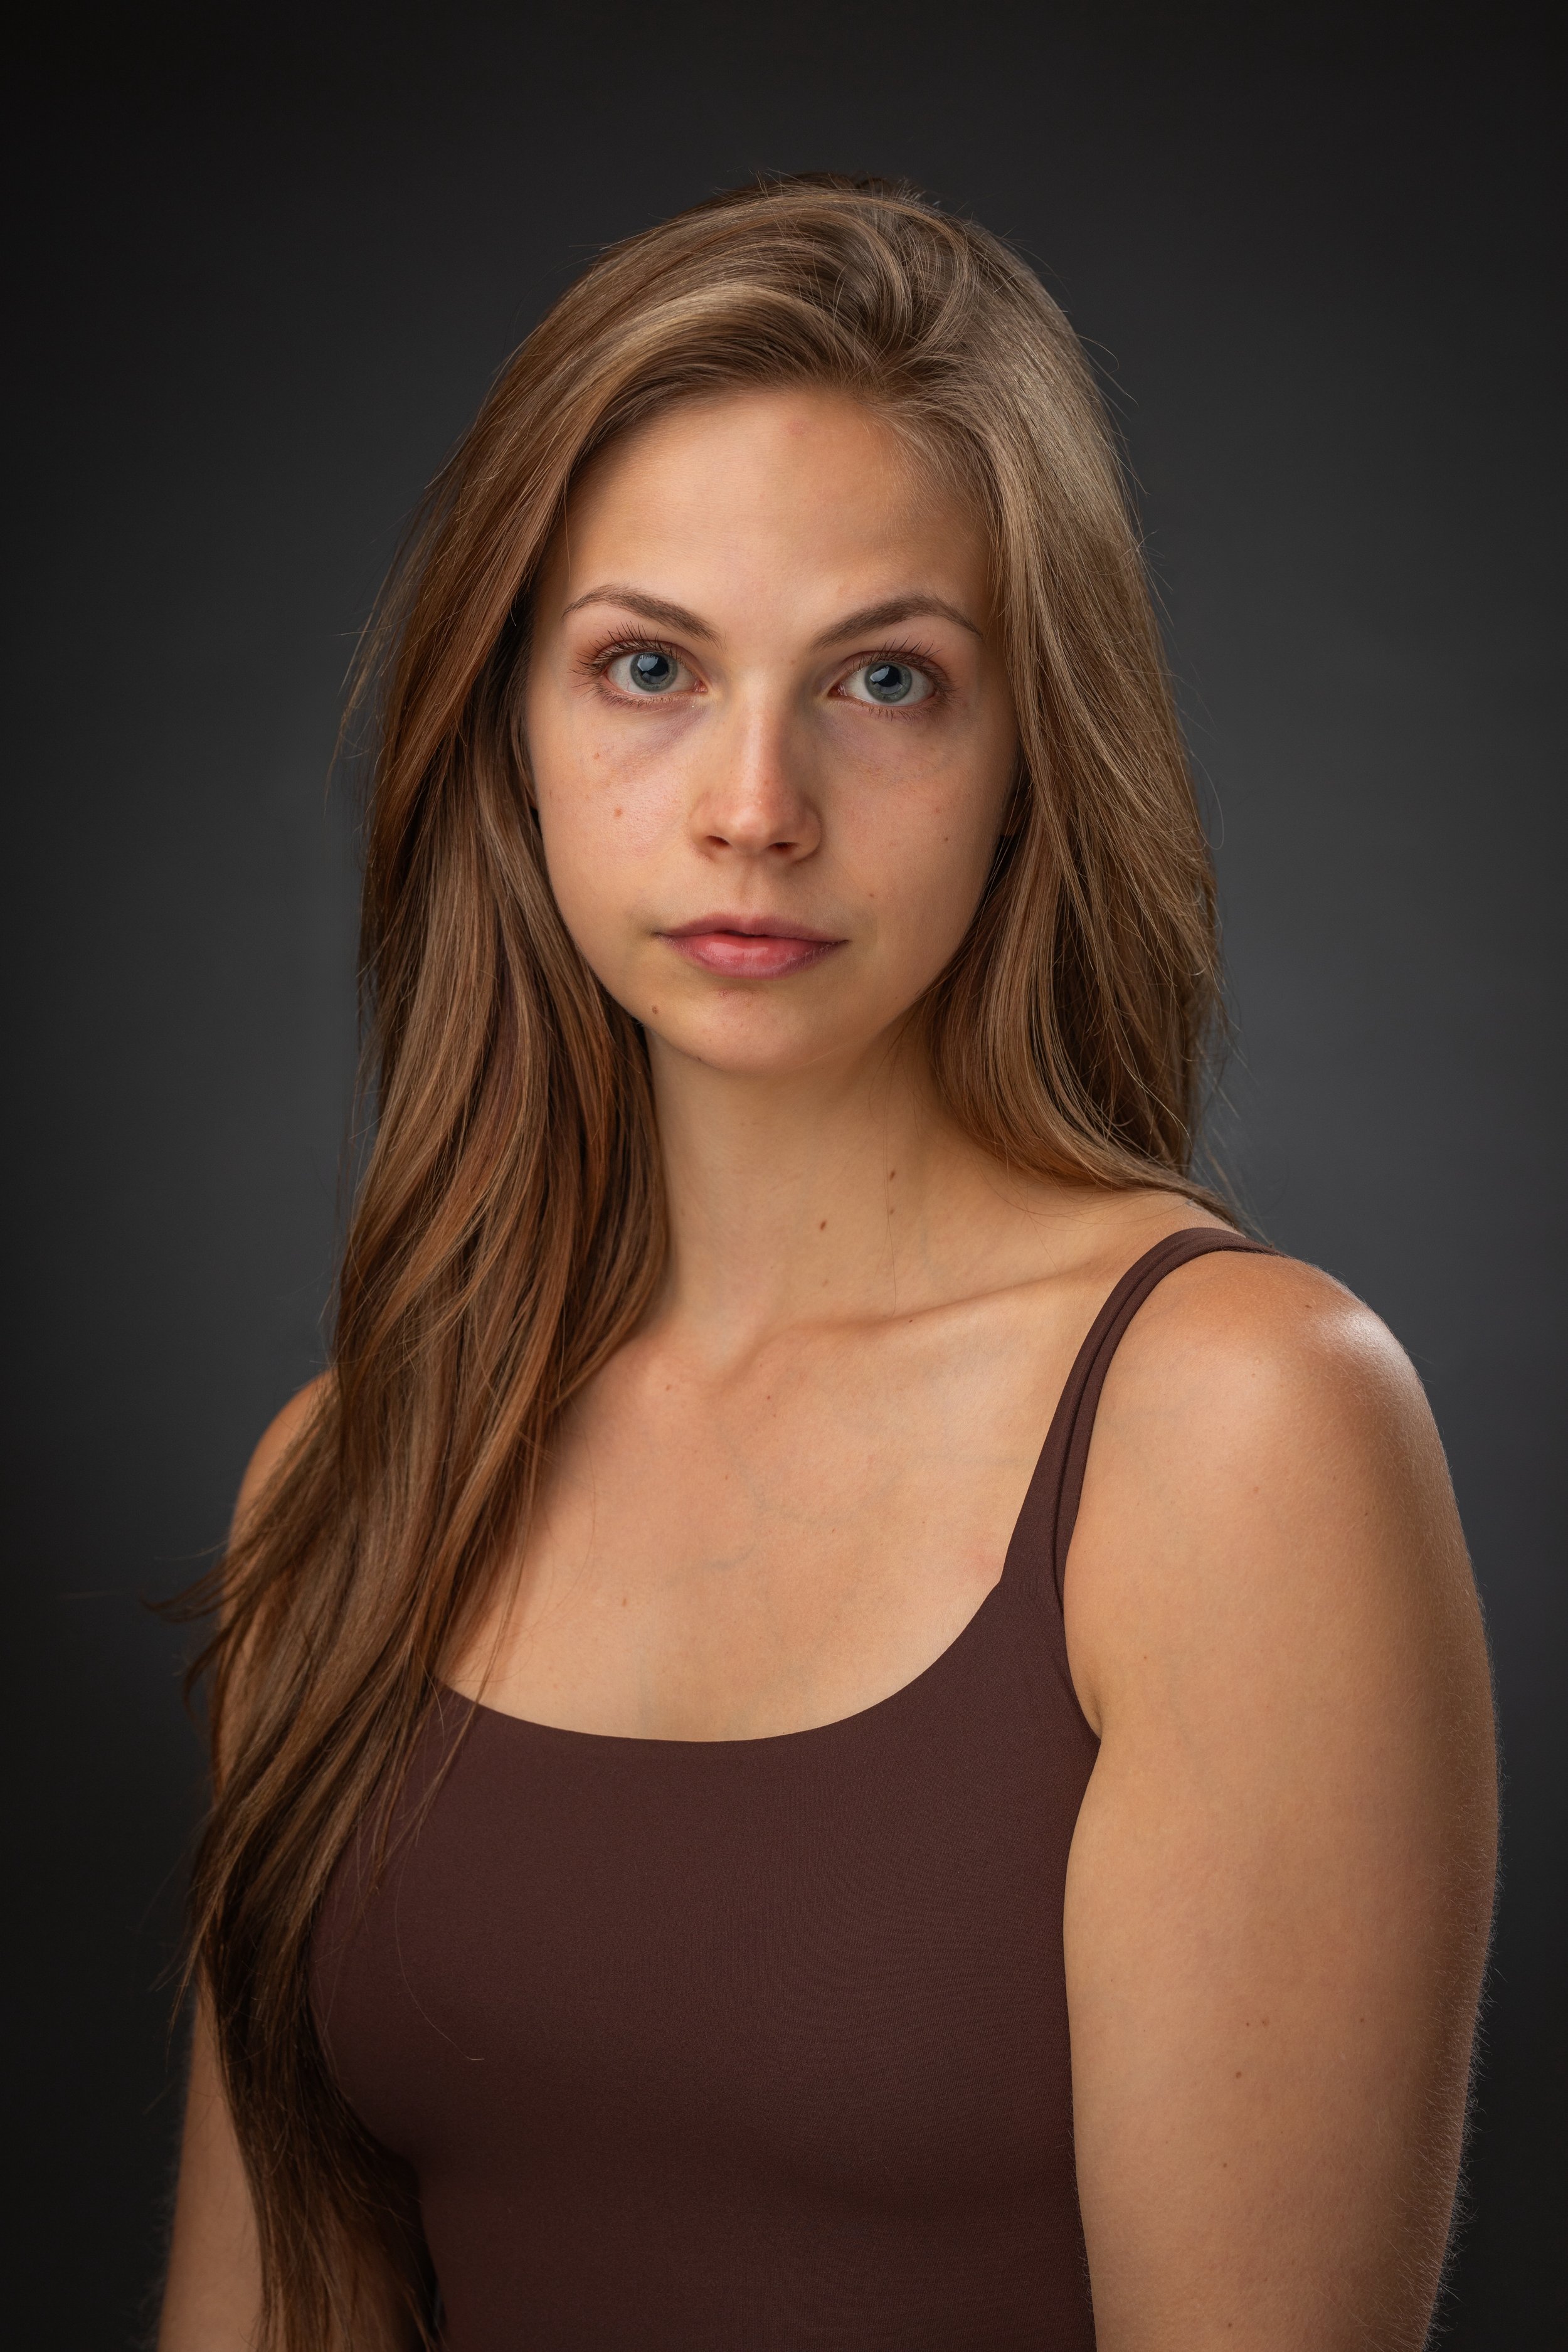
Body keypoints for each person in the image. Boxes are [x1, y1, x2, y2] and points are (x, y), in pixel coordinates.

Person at [157, 176, 1497, 2352]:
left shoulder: (1235, 1428)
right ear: (508, 731)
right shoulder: (340, 1485)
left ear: (1021, 758)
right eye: (649, 668)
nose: (752, 804)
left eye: (884, 677)